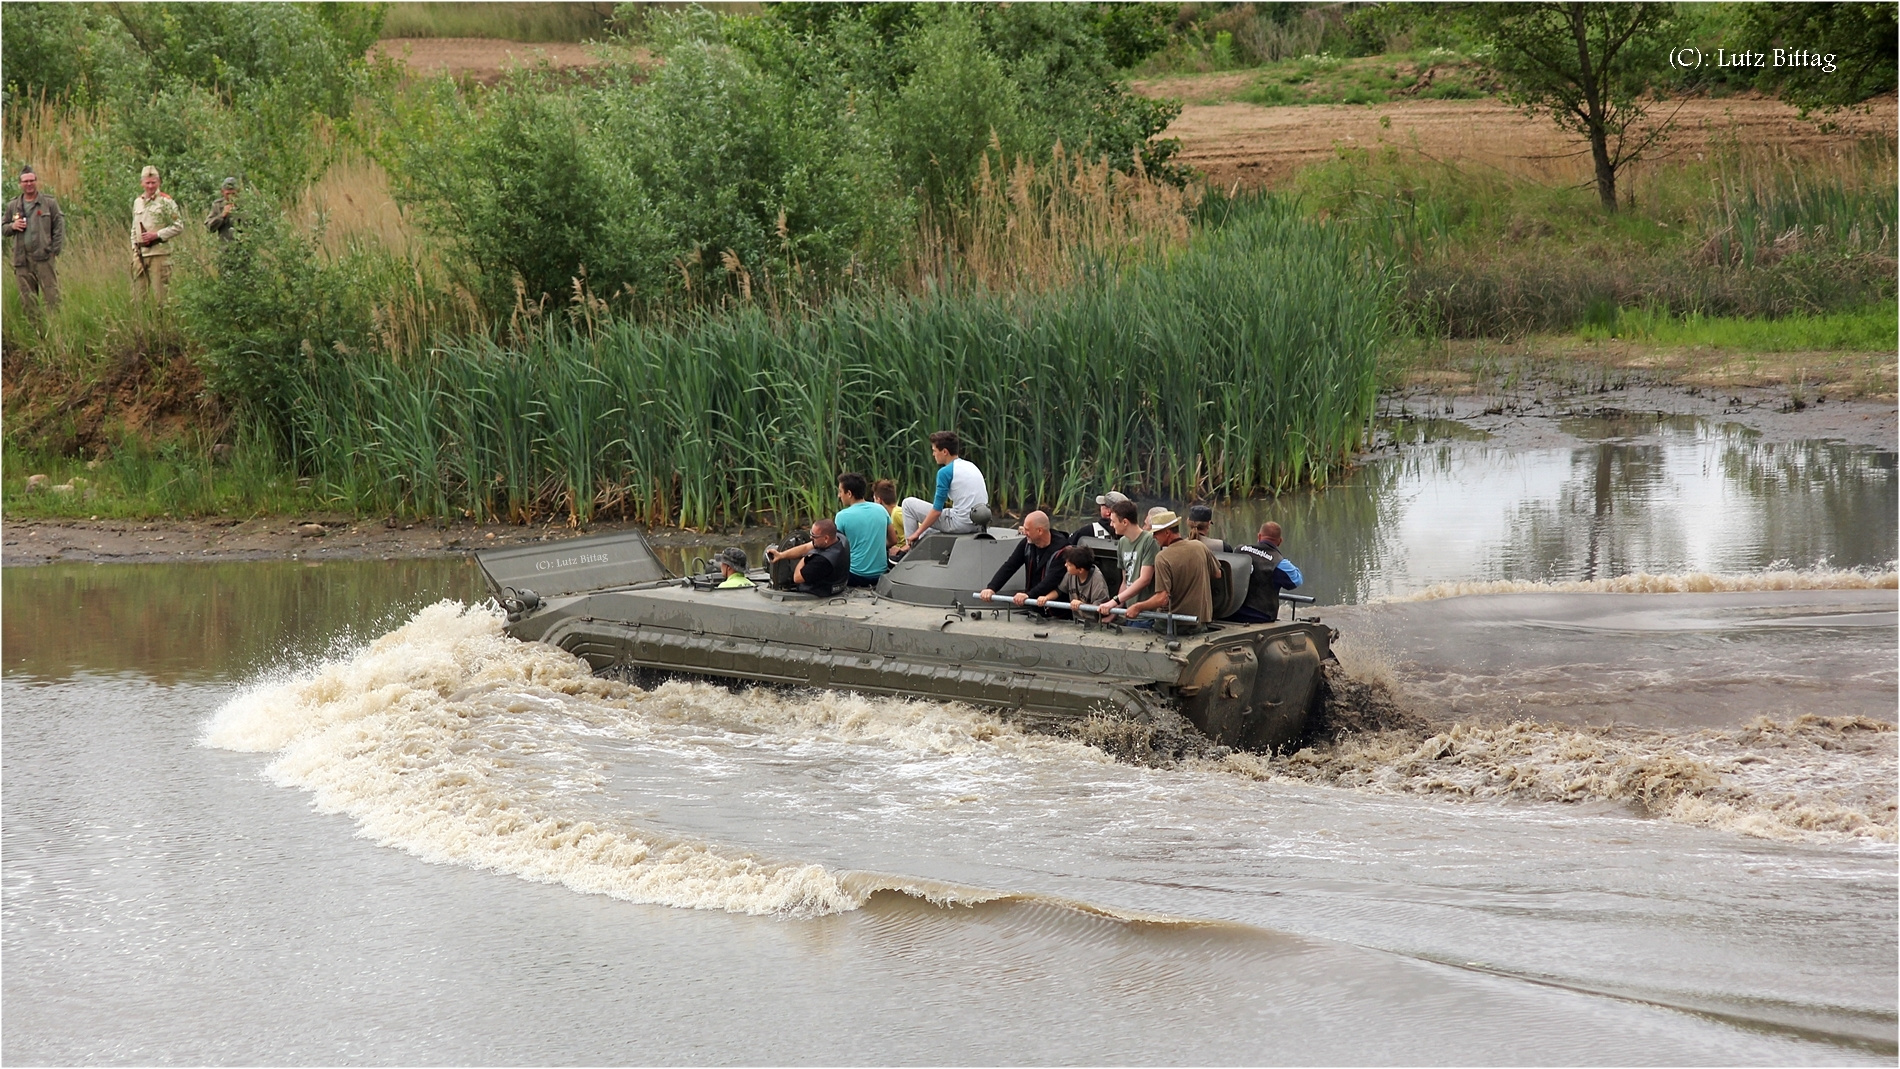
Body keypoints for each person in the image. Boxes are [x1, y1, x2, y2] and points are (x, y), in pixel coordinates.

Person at [1125, 508, 1220, 630]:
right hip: (1199, 623)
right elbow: (1217, 574)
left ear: (1167, 532)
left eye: (1156, 532)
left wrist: (1137, 607)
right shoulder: (1199, 546)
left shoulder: (1162, 557)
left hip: (1171, 625)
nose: (1153, 536)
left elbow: (1162, 598)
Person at [901, 431, 987, 548]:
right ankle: (917, 546)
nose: (933, 454)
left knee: (908, 504)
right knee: (929, 527)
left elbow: (937, 511)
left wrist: (916, 533)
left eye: (934, 451)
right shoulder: (971, 465)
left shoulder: (945, 472)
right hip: (979, 523)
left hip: (961, 524)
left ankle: (908, 548)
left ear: (945, 452)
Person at [978, 510, 1069, 607]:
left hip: (1055, 609)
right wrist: (992, 588)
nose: (1024, 533)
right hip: (1033, 604)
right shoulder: (1027, 544)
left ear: (1040, 531)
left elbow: (1051, 581)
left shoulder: (1063, 550)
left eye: (1027, 530)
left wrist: (1028, 595)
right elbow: (1010, 566)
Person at [5, 165, 63, 316]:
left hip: (44, 258)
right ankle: (36, 334)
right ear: (20, 184)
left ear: (36, 181)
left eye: (31, 180)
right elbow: (3, 228)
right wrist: (13, 225)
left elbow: (59, 226)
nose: (29, 184)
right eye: (25, 181)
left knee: (52, 299)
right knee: (28, 302)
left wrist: (53, 251)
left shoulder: (49, 203)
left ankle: (55, 333)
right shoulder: (13, 205)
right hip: (22, 261)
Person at [1228, 521, 1303, 623]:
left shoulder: (1239, 550)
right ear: (1280, 541)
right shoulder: (1279, 563)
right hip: (1260, 616)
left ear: (1259, 536)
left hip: (1232, 612)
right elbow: (1297, 581)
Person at [833, 472, 896, 586]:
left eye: (840, 492)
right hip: (880, 574)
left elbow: (836, 549)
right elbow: (893, 540)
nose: (839, 495)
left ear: (849, 493)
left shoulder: (842, 516)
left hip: (855, 575)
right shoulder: (881, 510)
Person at [131, 166, 183, 304]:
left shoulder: (166, 202)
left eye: (153, 182)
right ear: (142, 183)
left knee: (161, 298)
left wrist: (157, 235)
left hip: (160, 254)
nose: (150, 186)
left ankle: (163, 323)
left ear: (159, 182)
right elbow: (134, 229)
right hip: (140, 254)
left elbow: (178, 226)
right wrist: (134, 248)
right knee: (138, 298)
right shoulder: (138, 202)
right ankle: (143, 324)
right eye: (147, 183)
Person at [1096, 499, 1157, 618]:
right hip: (1128, 612)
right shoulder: (1122, 542)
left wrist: (1114, 601)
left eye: (1113, 521)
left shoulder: (1149, 540)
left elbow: (1145, 579)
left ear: (1125, 522)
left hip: (1146, 615)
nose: (1111, 525)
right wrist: (1115, 612)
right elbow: (1125, 581)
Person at [766, 519, 851, 596]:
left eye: (814, 536)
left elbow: (797, 577)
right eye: (811, 534)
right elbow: (807, 547)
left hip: (818, 592)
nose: (811, 538)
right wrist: (781, 555)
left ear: (826, 538)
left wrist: (806, 557)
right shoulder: (840, 539)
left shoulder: (821, 561)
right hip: (837, 584)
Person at [1039, 544, 1110, 616]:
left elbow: (1100, 608)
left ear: (1080, 570)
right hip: (1077, 621)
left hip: (1094, 623)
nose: (1065, 565)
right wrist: (1046, 598)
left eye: (1069, 565)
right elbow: (1059, 590)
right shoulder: (1070, 574)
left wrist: (1082, 604)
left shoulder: (1097, 581)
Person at [205, 177, 240, 243]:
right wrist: (222, 215)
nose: (230, 196)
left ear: (238, 191)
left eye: (233, 193)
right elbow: (209, 227)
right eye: (228, 194)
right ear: (222, 192)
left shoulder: (246, 204)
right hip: (225, 247)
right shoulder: (218, 205)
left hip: (245, 248)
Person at [872, 478, 903, 545]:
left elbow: (922, 532)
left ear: (879, 500)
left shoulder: (897, 512)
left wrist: (903, 549)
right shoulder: (888, 517)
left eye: (874, 499)